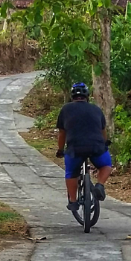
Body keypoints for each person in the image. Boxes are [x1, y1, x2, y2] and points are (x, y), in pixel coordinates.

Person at [54, 82, 112, 215]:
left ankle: (73, 201)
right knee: (106, 165)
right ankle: (100, 185)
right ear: (87, 96)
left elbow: (62, 133)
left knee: (71, 173)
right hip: (96, 146)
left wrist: (60, 149)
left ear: (72, 96)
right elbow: (103, 130)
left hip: (75, 148)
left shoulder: (66, 109)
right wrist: (104, 143)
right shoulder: (96, 109)